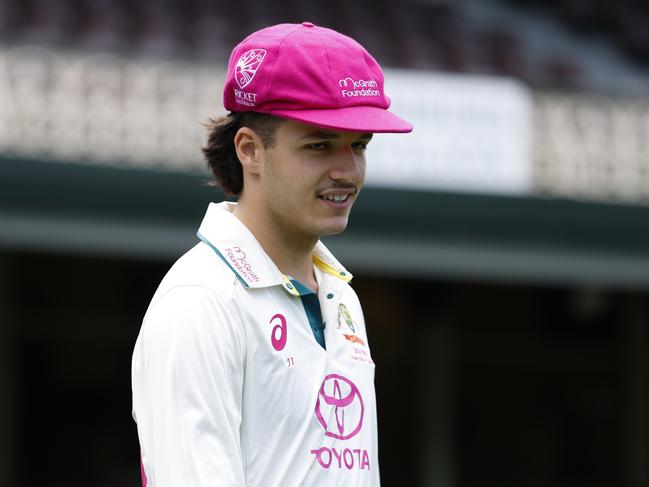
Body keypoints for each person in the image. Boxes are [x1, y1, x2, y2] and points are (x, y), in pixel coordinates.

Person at [131, 21, 412, 487]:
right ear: (250, 150)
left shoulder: (342, 299)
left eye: (359, 146)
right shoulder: (200, 300)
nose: (347, 170)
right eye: (319, 145)